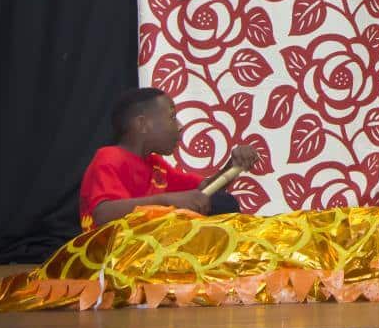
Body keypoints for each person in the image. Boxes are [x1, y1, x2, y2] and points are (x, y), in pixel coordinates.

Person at [79, 87, 259, 230]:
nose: (180, 126)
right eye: (172, 117)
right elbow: (103, 213)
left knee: (223, 203)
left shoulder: (155, 165)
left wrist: (233, 166)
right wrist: (167, 201)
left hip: (143, 253)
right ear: (142, 124)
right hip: (110, 258)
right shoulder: (109, 157)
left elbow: (203, 191)